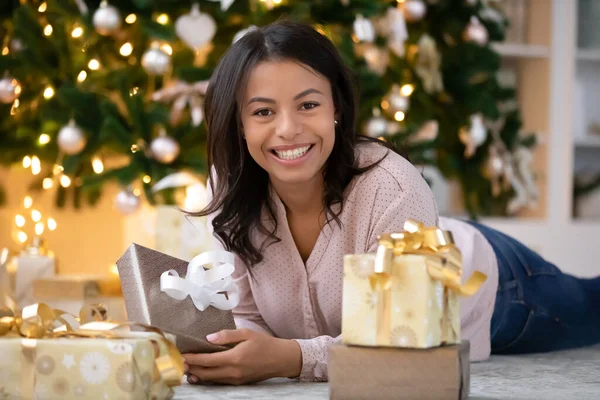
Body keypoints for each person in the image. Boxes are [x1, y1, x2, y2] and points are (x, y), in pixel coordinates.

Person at [181, 20, 600, 385]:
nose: (288, 130)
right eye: (263, 112)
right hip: (421, 232)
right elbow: (248, 315)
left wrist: (292, 358)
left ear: (336, 109)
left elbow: (404, 336)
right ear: (238, 122)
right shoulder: (230, 187)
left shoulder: (393, 185)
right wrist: (227, 352)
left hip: (499, 289)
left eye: (308, 105)